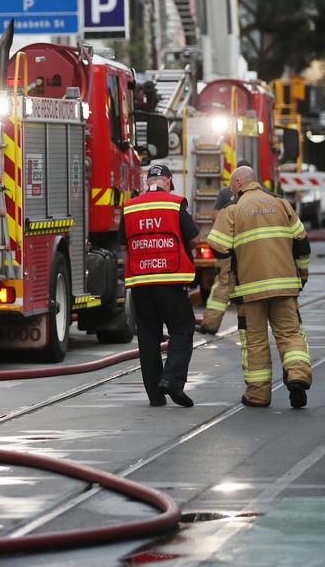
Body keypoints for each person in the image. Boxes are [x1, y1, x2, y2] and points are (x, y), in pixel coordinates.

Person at [207, 164, 312, 409]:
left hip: (249, 290)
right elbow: (302, 243)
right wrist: (302, 274)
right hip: (285, 286)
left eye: (232, 185)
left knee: (255, 342)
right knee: (290, 335)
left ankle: (258, 395)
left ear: (238, 184)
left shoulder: (232, 210)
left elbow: (217, 246)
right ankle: (297, 377)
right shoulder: (281, 204)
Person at [121, 163, 199, 407]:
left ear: (148, 181)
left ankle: (155, 395)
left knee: (147, 336)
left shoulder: (130, 207)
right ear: (168, 181)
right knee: (182, 328)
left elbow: (124, 240)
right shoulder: (175, 204)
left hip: (141, 283)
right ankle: (172, 381)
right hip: (170, 280)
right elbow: (194, 238)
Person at [198, 159, 254, 335]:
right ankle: (249, 325)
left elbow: (215, 215)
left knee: (223, 284)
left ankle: (210, 324)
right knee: (249, 285)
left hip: (229, 249)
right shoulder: (263, 196)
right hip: (253, 251)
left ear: (237, 180)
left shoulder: (225, 194)